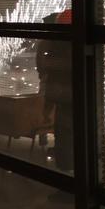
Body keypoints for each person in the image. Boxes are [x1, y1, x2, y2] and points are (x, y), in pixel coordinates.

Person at [36, 10, 73, 173]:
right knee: (69, 135)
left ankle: (67, 171)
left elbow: (51, 68)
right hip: (71, 97)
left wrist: (47, 106)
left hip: (64, 98)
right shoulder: (68, 43)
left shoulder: (58, 44)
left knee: (65, 135)